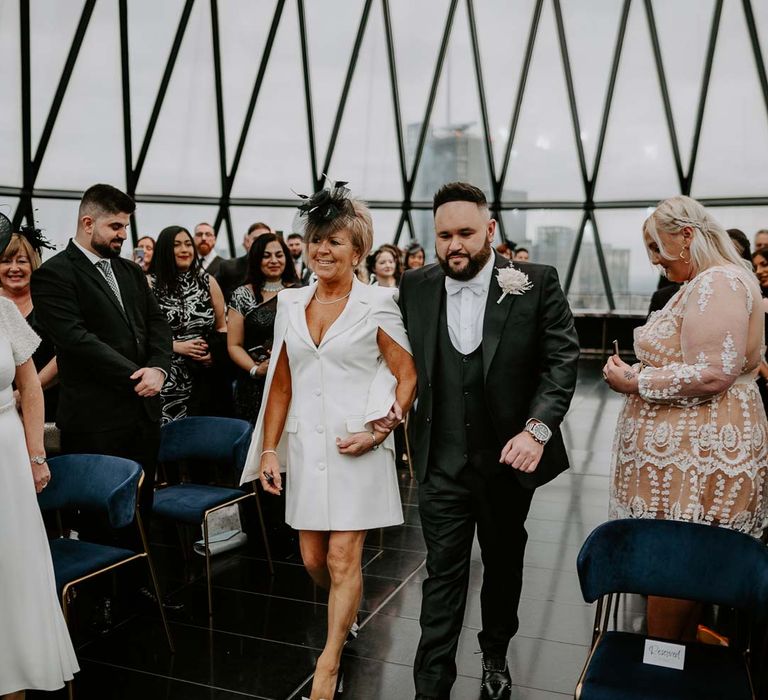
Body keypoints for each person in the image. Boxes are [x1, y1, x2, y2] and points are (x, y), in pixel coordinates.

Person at [398, 182, 579, 700]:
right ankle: (430, 685)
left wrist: (537, 429)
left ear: (491, 230)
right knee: (442, 577)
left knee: (503, 565)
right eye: (444, 235)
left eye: (465, 233)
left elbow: (561, 362)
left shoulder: (536, 282)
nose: (454, 245)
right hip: (440, 463)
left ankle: (496, 651)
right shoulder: (416, 285)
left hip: (506, 463)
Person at [239, 185, 417, 700]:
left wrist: (379, 430)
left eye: (334, 242)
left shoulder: (379, 302)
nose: (322, 250)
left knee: (343, 557)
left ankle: (330, 658)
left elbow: (406, 376)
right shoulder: (291, 302)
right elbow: (281, 384)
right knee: (314, 557)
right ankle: (348, 605)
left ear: (357, 251)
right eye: (316, 240)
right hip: (304, 448)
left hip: (356, 445)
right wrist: (270, 449)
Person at [604, 195, 768, 642]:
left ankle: (661, 666)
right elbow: (697, 361)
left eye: (657, 247)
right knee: (686, 561)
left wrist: (636, 383)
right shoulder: (715, 281)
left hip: (697, 453)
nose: (655, 260)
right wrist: (641, 373)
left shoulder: (718, 282)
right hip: (689, 450)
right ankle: (678, 652)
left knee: (674, 562)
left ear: (688, 236)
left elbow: (715, 372)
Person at [30, 184, 172, 559]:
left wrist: (158, 368)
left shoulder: (128, 271)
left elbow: (157, 325)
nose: (123, 235)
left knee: (141, 505)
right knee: (98, 515)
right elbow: (76, 340)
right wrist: (138, 374)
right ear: (88, 222)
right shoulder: (55, 274)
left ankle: (138, 587)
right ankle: (99, 596)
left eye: (125, 227)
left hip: (142, 414)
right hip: (96, 420)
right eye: (115, 227)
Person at [0, 219, 79, 698]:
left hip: (7, 449)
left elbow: (30, 386)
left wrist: (35, 456)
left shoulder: (5, 313)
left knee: (13, 563)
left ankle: (15, 676)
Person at [148, 225, 227, 424]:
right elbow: (138, 332)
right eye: (177, 245)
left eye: (187, 244)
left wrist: (214, 353)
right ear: (165, 249)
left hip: (202, 376)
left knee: (199, 437)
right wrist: (175, 346)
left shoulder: (207, 282)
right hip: (163, 375)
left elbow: (222, 327)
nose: (185, 250)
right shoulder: (148, 283)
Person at [227, 232, 299, 423]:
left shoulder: (301, 292)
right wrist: (255, 370)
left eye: (279, 255)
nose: (274, 260)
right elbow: (234, 344)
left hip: (294, 381)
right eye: (266, 256)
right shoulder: (243, 295)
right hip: (254, 385)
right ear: (256, 259)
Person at [0, 227, 59, 420]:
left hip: (46, 404)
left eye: (22, 261)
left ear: (33, 264)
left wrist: (26, 392)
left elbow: (64, 353)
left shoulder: (50, 303)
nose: (14, 268)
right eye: (6, 261)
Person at [216, 221, 273, 302]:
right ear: (247, 242)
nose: (260, 243)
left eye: (265, 239)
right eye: (256, 239)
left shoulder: (277, 268)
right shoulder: (228, 267)